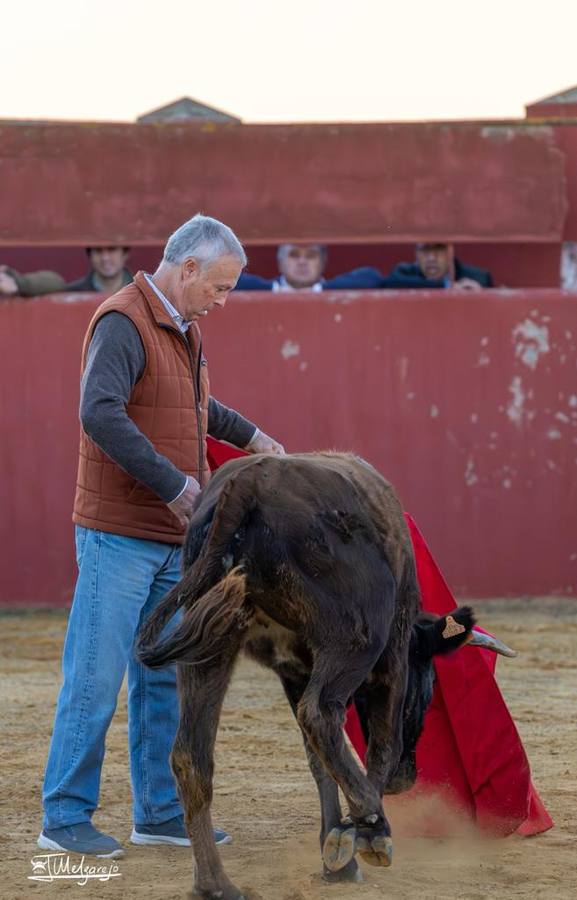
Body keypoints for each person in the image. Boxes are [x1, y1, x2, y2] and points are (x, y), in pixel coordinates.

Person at [38, 214, 284, 859]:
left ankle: (161, 813)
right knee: (96, 675)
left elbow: (197, 408)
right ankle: (63, 816)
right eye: (221, 287)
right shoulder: (123, 319)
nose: (223, 301)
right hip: (119, 534)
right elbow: (98, 412)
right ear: (189, 268)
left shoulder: (183, 327)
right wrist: (177, 487)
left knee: (165, 679)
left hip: (172, 541)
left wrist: (253, 437)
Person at [0, 246, 132, 298]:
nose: (105, 258)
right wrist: (15, 280)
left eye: (112, 250)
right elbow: (54, 282)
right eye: (98, 251)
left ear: (125, 253)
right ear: (90, 255)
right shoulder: (74, 292)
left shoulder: (142, 292)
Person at [388, 242, 494, 289]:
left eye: (439, 248)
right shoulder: (403, 274)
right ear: (416, 253)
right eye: (425, 249)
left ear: (451, 252)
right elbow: (390, 284)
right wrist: (448, 286)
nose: (431, 258)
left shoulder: (479, 278)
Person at [235, 243, 327, 291]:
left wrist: (319, 289)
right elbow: (223, 277)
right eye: (294, 255)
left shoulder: (339, 289)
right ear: (280, 262)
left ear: (322, 262)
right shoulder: (265, 288)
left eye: (310, 255)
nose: (302, 261)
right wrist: (274, 288)